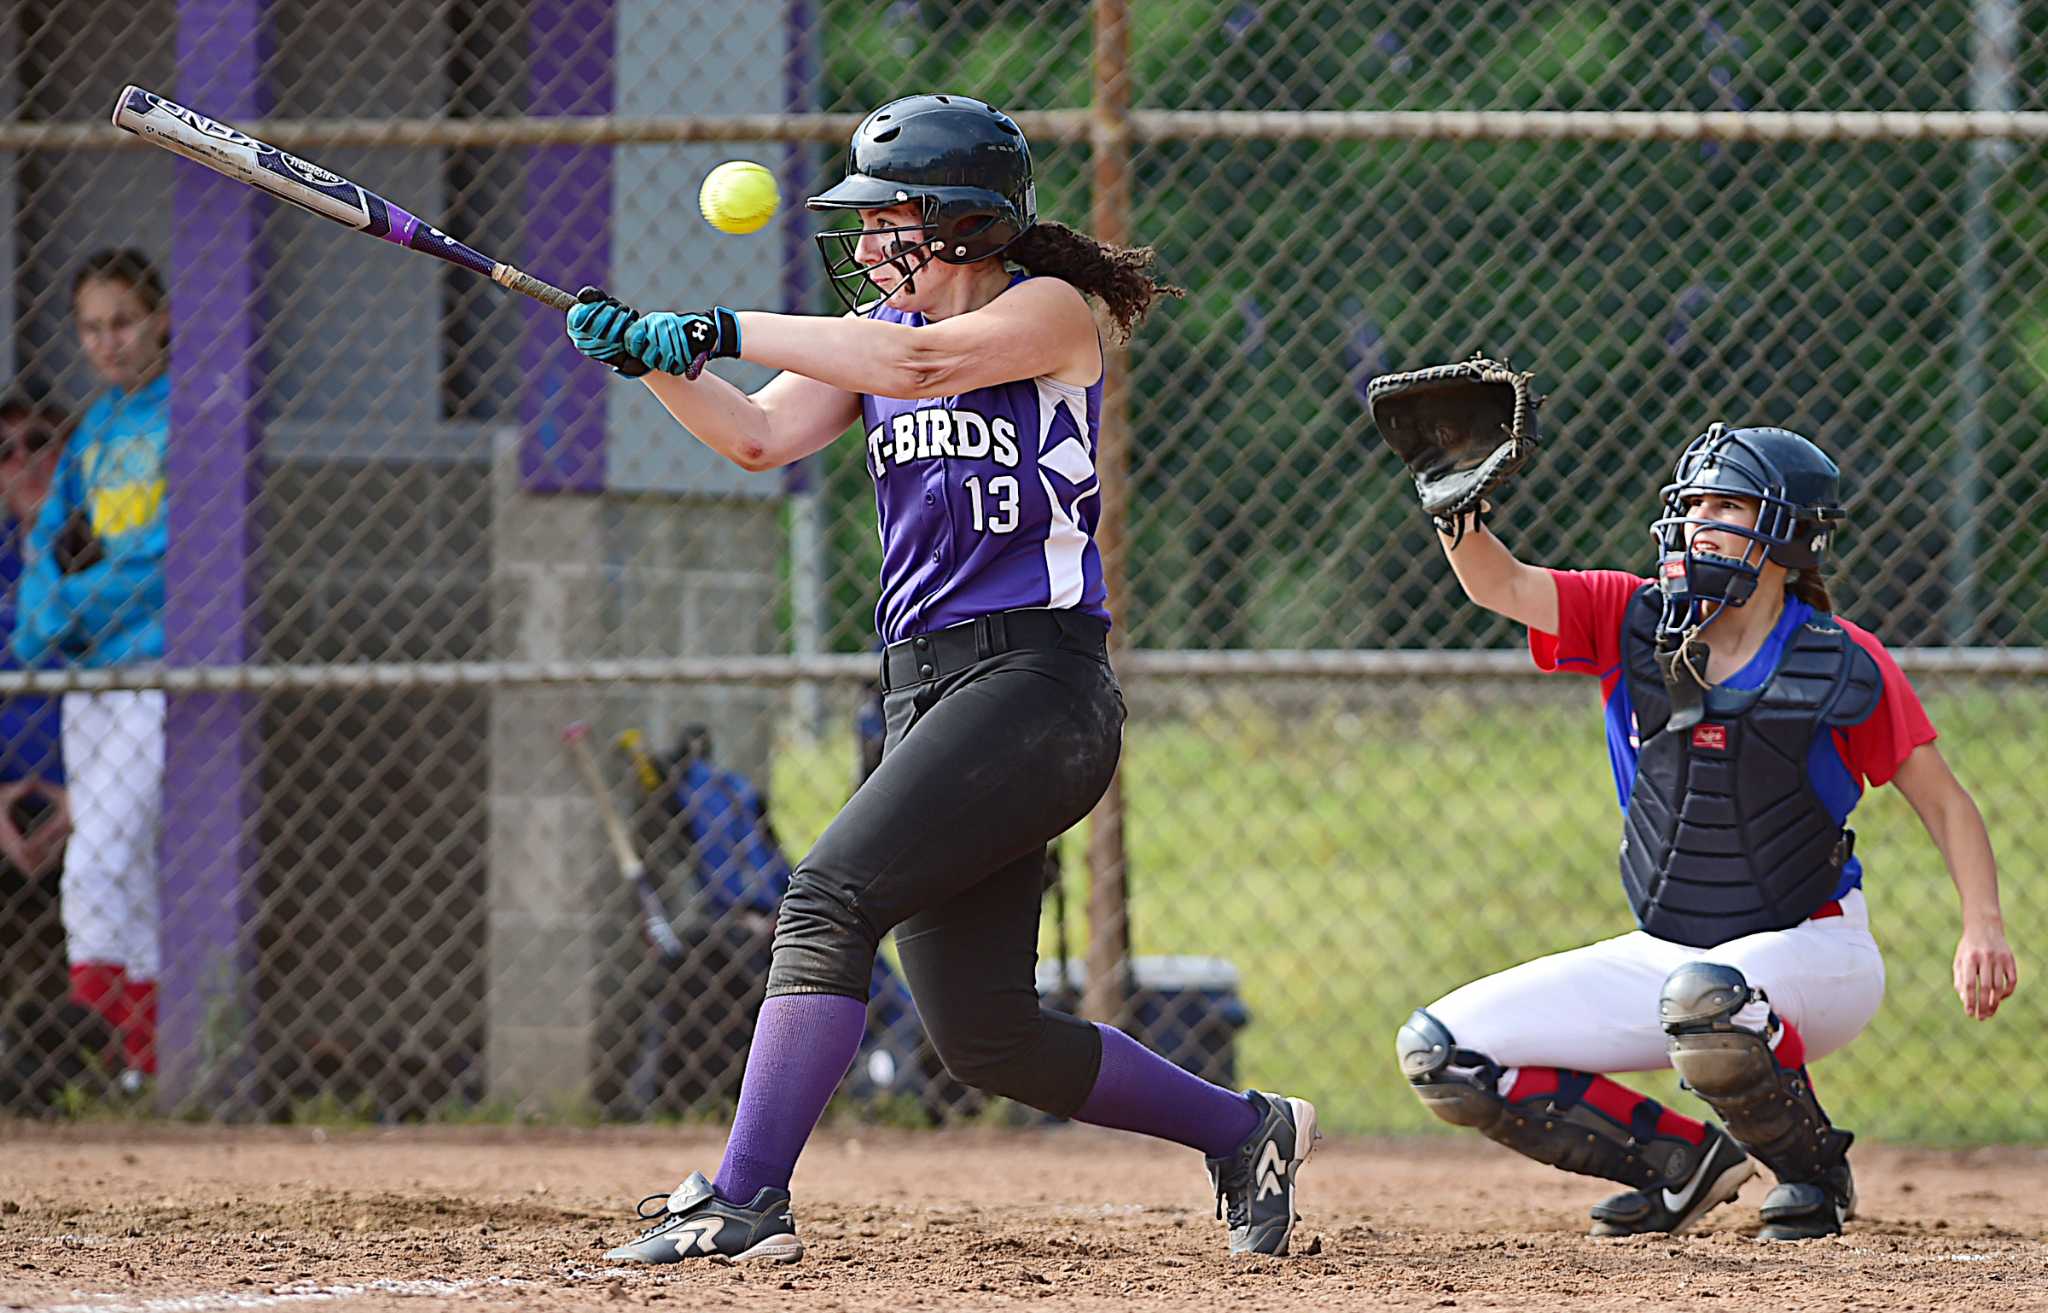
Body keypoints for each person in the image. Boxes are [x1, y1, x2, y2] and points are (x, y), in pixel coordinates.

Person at [567, 93, 1317, 1263]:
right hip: (925, 696)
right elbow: (758, 436)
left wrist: (713, 321)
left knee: (823, 897)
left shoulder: (1046, 311)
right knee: (985, 1037)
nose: (868, 248)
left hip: (1036, 685)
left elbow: (916, 364)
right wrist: (653, 360)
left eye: (890, 221)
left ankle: (745, 1195)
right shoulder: (873, 330)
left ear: (968, 223)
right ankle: (1247, 1130)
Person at [1392, 422, 2019, 1240]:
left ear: (1786, 536)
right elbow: (1499, 584)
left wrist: (1983, 924)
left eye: (1727, 505)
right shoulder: (1630, 618)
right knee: (1441, 1051)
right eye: (1693, 505)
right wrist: (1456, 507)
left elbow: (1943, 800)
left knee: (1706, 1000)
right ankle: (1678, 1163)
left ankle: (1812, 1174)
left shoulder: (1838, 659)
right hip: (1670, 954)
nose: (1698, 522)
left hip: (1815, 951)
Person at [12, 249, 172, 1087]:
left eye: (124, 322)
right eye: (92, 329)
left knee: (101, 855)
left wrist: (70, 606)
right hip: (87, 676)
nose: (109, 343)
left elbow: (164, 557)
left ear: (161, 320)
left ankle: (104, 1058)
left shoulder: (185, 414)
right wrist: (46, 614)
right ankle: (134, 1071)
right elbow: (48, 542)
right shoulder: (97, 429)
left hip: (151, 671)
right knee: (123, 873)